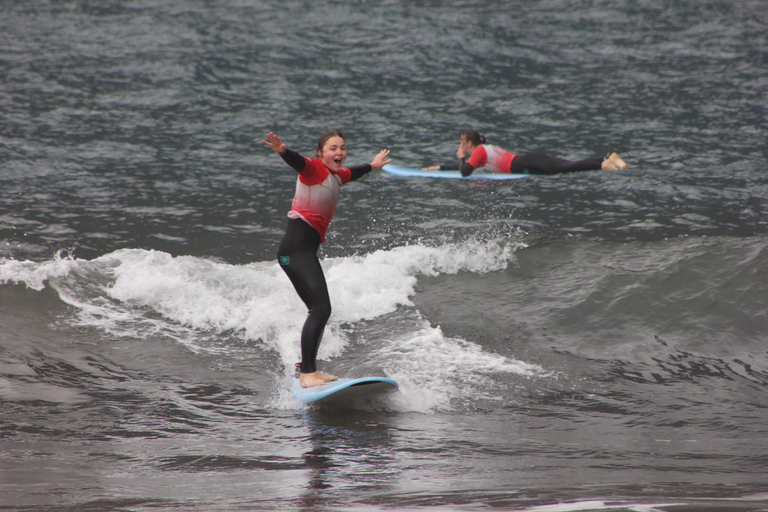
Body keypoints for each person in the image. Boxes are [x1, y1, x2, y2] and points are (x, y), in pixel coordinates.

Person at [263, 131, 391, 388]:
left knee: (320, 310)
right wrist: (283, 151)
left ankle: (309, 369)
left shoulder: (335, 176)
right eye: (333, 148)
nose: (340, 153)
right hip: (294, 252)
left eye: (343, 148)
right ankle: (307, 373)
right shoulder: (314, 169)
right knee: (320, 309)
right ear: (321, 153)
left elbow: (352, 172)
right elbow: (299, 162)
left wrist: (373, 166)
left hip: (303, 252)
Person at [422, 129, 627, 176]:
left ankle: (604, 164)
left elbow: (466, 171)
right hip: (529, 160)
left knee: (566, 167)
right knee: (566, 164)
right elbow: (470, 167)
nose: (460, 145)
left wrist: (460, 158)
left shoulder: (477, 152)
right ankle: (608, 159)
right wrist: (439, 167)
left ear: (468, 143)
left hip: (526, 164)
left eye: (461, 142)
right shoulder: (484, 150)